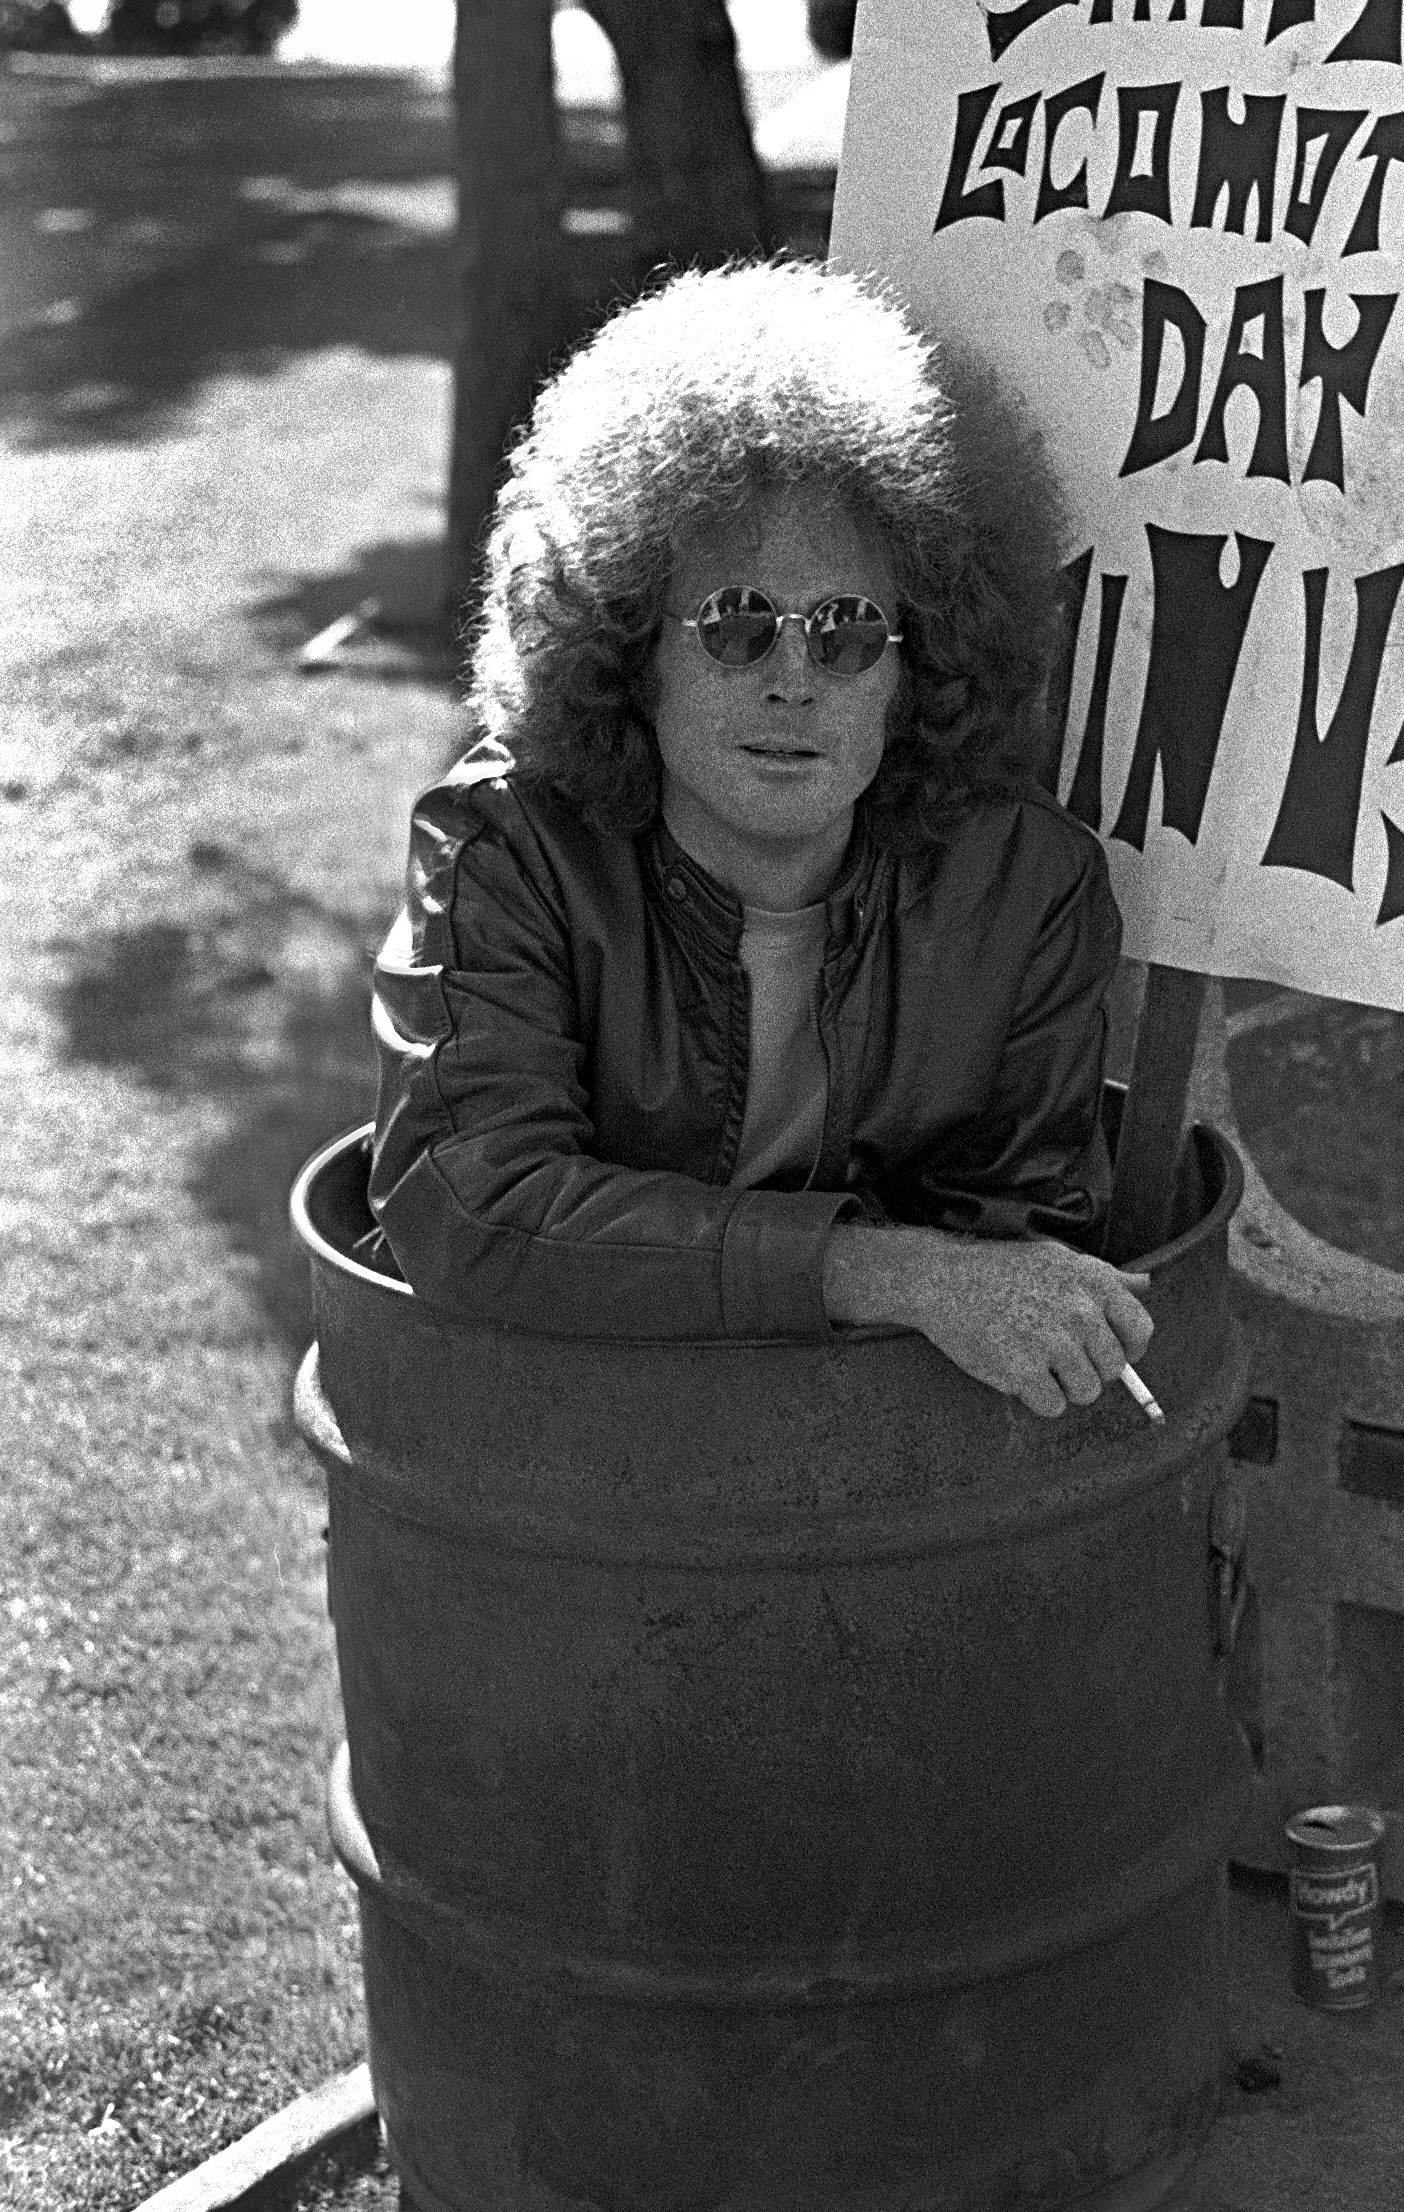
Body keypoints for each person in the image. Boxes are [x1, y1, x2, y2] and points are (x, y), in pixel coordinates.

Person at [368, 260, 1153, 1421]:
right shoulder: (504, 851)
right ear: (630, 643)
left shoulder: (1026, 887)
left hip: (871, 1483)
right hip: (541, 1462)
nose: (794, 680)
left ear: (915, 662)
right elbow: (473, 1203)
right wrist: (874, 1269)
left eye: (846, 632)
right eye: (737, 627)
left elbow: (1015, 1258)